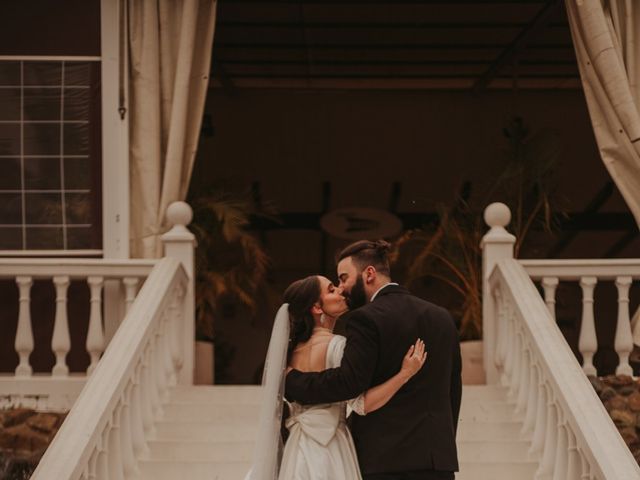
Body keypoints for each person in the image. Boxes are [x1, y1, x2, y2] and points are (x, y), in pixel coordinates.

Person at [285, 240, 462, 480]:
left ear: (368, 274)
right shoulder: (442, 317)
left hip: (384, 460)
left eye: (344, 278)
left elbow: (349, 382)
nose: (342, 288)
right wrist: (442, 444)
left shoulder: (365, 319)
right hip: (437, 460)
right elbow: (453, 391)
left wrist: (291, 380)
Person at [277, 275, 427, 480]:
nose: (340, 290)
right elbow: (361, 404)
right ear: (316, 307)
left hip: (298, 447)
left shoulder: (288, 354)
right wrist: (405, 374)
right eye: (331, 290)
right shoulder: (339, 346)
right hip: (331, 446)